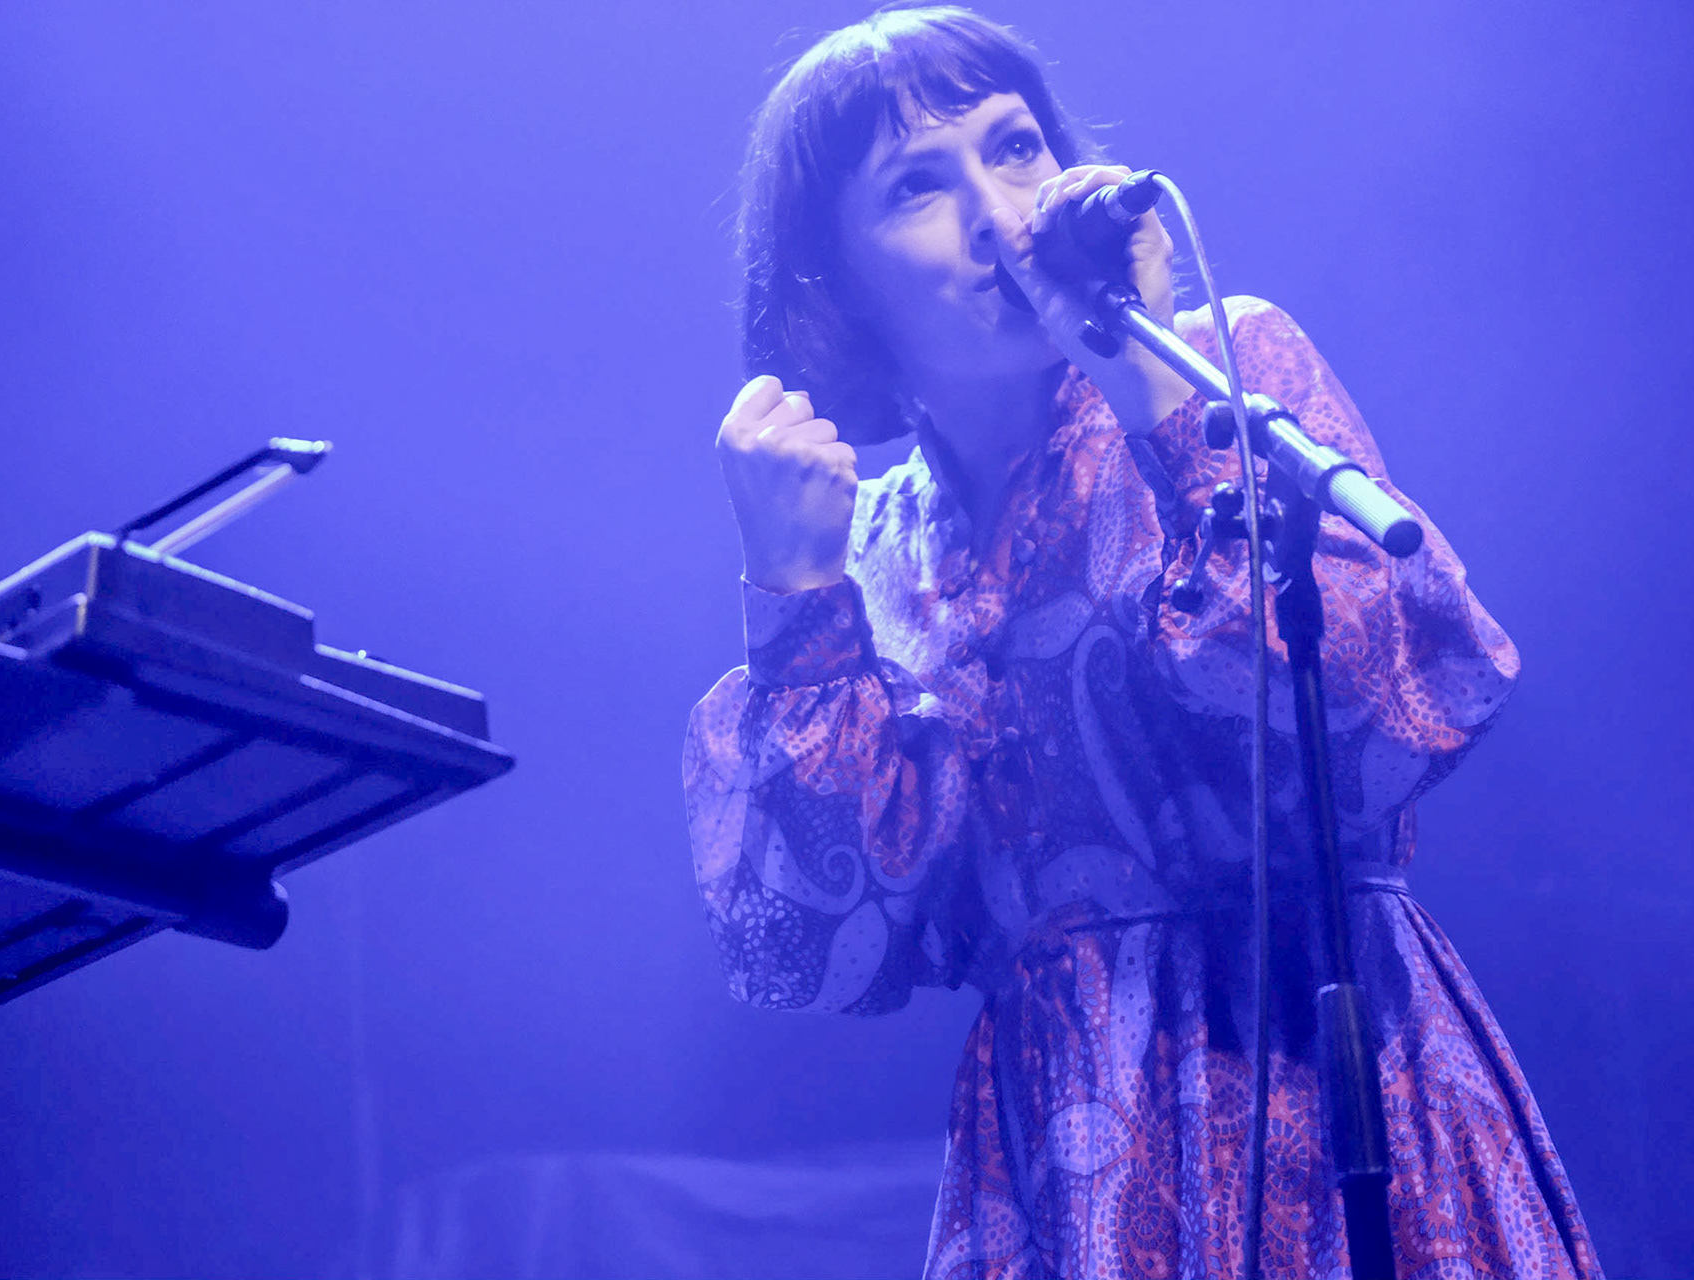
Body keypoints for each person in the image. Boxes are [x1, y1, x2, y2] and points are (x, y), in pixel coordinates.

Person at [682, 7, 1599, 1277]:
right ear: (836, 292)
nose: (1001, 214)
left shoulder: (1230, 365)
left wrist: (1158, 398)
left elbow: (1387, 711)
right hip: (1071, 1154)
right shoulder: (868, 548)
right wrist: (791, 597)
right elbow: (814, 942)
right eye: (917, 187)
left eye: (1016, 150)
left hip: (1327, 1083)